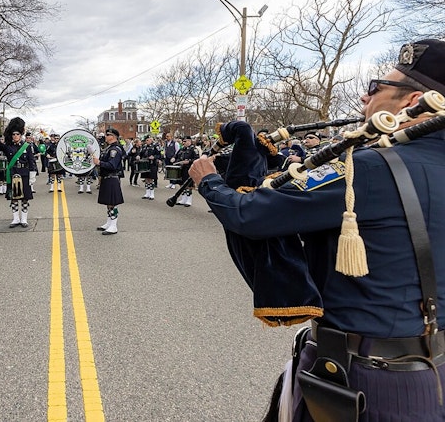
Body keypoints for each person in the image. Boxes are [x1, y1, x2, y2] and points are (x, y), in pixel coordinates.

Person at [190, 39, 445, 421]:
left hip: (358, 379)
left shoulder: (370, 168)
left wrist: (209, 181)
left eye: (376, 86)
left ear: (412, 103)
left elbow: (253, 215)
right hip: (434, 372)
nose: (364, 97)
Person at [0, 117, 36, 228]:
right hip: (13, 174)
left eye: (17, 134)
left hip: (24, 174)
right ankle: (15, 219)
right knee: (14, 198)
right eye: (13, 134)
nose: (15, 136)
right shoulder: (8, 147)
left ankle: (24, 219)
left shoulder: (26, 146)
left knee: (24, 198)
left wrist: (32, 176)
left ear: (20, 134)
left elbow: (31, 161)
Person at [92, 128, 124, 235]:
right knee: (108, 203)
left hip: (112, 177)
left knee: (112, 203)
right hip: (107, 178)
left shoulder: (115, 150)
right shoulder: (109, 148)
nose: (105, 136)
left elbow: (112, 165)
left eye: (107, 135)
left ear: (113, 136)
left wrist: (99, 162)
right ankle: (109, 222)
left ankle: (113, 226)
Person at [171, 135, 199, 207]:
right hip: (181, 168)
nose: (183, 143)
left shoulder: (194, 149)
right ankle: (183, 199)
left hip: (188, 169)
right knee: (181, 184)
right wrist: (173, 158)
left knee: (188, 185)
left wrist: (189, 161)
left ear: (189, 141)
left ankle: (188, 200)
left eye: (185, 141)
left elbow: (197, 159)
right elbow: (176, 155)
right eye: (183, 141)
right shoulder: (181, 149)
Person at [139, 134, 161, 200]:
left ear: (151, 140)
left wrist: (154, 157)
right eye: (146, 140)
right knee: (146, 179)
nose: (146, 141)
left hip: (152, 164)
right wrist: (138, 156)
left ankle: (152, 193)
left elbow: (159, 155)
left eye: (148, 140)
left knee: (151, 178)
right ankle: (147, 193)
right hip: (145, 164)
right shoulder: (144, 147)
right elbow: (141, 154)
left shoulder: (155, 146)